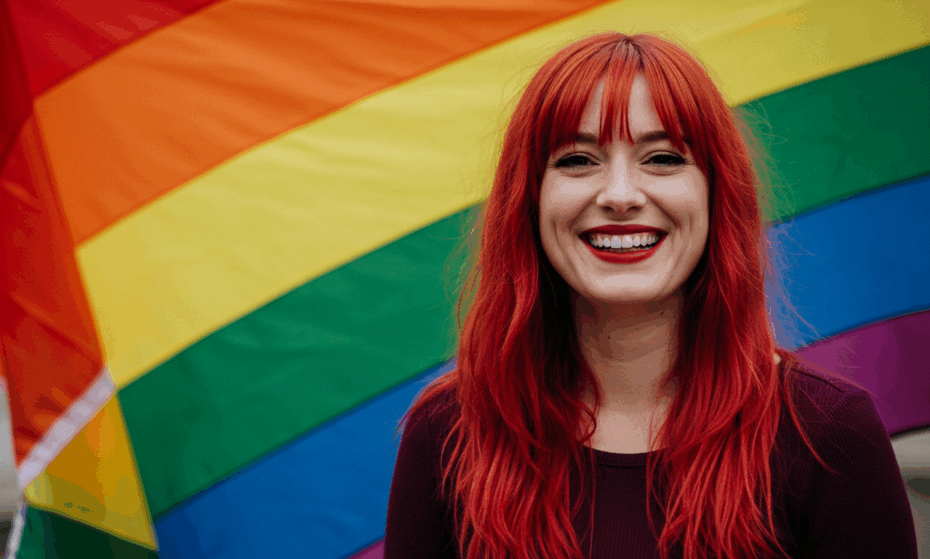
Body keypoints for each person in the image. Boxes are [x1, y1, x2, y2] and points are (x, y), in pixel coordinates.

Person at [383, 33, 917, 559]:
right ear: (529, 199)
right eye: (577, 160)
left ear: (715, 193)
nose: (620, 195)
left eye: (662, 158)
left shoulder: (828, 433)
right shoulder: (448, 430)